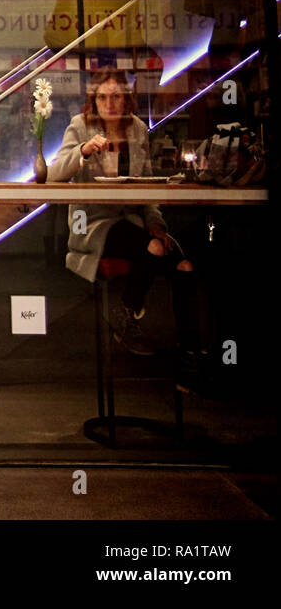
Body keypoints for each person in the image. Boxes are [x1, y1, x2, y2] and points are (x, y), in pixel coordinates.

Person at [47, 70, 201, 385]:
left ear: (126, 99)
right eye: (103, 97)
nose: (110, 103)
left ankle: (190, 351)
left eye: (116, 96)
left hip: (133, 220)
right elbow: (53, 176)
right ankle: (127, 317)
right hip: (93, 222)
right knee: (153, 247)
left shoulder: (138, 130)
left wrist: (157, 224)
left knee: (183, 264)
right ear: (94, 100)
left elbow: (147, 193)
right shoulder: (80, 126)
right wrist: (83, 151)